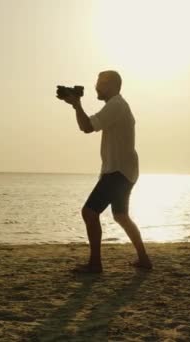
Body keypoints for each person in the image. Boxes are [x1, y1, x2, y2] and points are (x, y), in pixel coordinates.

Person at [58, 70, 152, 273]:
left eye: (100, 83)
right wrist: (76, 105)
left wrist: (77, 105)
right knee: (121, 216)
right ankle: (143, 259)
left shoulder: (116, 105)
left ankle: (95, 264)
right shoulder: (117, 105)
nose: (96, 87)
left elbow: (87, 126)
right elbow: (88, 125)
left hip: (118, 170)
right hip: (125, 170)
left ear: (112, 85)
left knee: (89, 212)